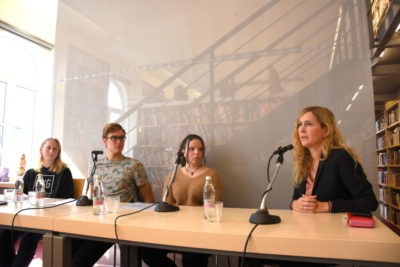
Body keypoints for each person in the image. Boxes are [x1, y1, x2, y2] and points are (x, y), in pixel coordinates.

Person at [71, 123, 155, 267]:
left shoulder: (134, 165)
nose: (119, 142)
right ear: (105, 140)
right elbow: (92, 197)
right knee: (71, 247)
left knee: (80, 258)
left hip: (122, 221)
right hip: (100, 220)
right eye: (114, 138)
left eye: (122, 138)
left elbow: (149, 200)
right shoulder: (96, 166)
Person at [141, 134, 223, 267]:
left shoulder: (212, 175)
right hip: (175, 230)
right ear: (183, 152)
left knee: (193, 258)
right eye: (191, 149)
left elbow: (212, 208)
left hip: (199, 232)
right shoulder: (173, 174)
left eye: (200, 149)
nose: (196, 152)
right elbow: (167, 206)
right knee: (147, 251)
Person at [0, 137, 73, 267]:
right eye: (48, 148)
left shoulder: (64, 172)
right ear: (41, 150)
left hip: (49, 219)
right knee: (4, 234)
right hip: (28, 216)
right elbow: (22, 196)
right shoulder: (31, 172)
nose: (51, 151)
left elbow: (67, 199)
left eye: (55, 149)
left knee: (29, 237)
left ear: (58, 152)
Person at [291, 106, 378, 213]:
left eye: (309, 124)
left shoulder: (340, 157)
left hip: (336, 228)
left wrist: (328, 206)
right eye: (299, 124)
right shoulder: (303, 161)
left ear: (326, 130)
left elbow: (369, 201)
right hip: (307, 226)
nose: (301, 129)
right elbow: (296, 198)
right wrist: (295, 204)